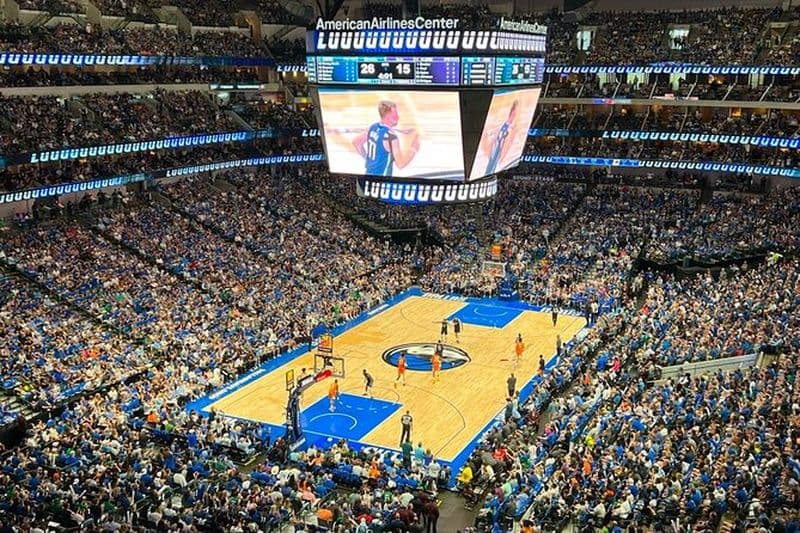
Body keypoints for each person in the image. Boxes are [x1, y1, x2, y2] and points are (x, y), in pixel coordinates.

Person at [352, 101, 420, 177]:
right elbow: (401, 164)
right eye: (395, 115)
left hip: (368, 177)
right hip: (382, 181)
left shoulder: (373, 127)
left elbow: (356, 142)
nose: (398, 117)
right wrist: (414, 149)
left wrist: (369, 159)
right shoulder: (390, 137)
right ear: (388, 116)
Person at [482, 101, 519, 175]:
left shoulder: (511, 128)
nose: (514, 116)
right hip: (495, 147)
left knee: (493, 164)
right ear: (511, 113)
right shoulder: (503, 124)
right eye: (513, 114)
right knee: (491, 163)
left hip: (499, 149)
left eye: (515, 115)